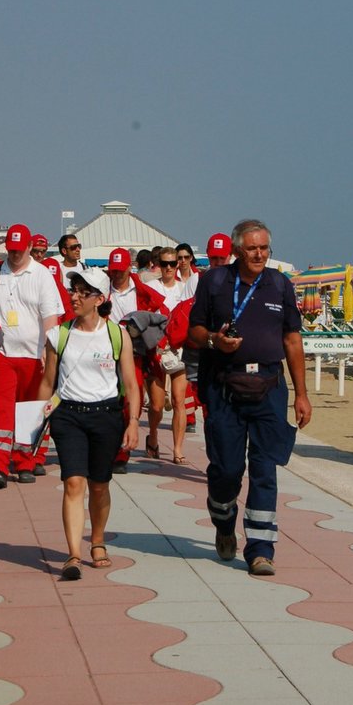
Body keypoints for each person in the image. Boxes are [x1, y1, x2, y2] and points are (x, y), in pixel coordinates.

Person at [188, 218, 311, 576]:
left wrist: (301, 395)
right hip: (224, 387)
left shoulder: (280, 285)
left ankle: (260, 549)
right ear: (237, 249)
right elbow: (194, 332)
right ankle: (224, 524)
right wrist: (215, 340)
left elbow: (292, 340)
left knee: (264, 468)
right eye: (252, 248)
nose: (259, 254)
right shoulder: (214, 282)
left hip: (269, 388)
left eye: (265, 248)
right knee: (226, 470)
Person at [38, 268, 140, 580]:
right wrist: (35, 420)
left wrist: (133, 422)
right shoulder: (59, 334)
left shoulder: (116, 334)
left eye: (83, 292)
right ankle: (73, 554)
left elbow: (131, 384)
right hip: (68, 415)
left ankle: (97, 541)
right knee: (73, 483)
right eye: (74, 290)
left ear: (99, 299)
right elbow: (47, 382)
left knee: (99, 485)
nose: (75, 297)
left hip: (106, 415)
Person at [0, 224, 63, 489]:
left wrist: (48, 352)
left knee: (30, 411)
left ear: (30, 247)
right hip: (1, 354)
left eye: (20, 250)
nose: (15, 255)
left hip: (34, 356)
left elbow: (50, 318)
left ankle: (25, 462)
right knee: (1, 408)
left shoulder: (41, 276)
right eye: (11, 249)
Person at [106, 247, 168, 472]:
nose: (116, 275)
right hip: (105, 353)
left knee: (131, 401)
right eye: (113, 270)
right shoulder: (102, 290)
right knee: (107, 402)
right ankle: (107, 448)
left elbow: (160, 316)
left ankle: (122, 453)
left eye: (120, 271)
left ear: (129, 268)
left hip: (134, 355)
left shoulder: (142, 291)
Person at [146, 248, 189, 463]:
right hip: (156, 351)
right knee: (156, 405)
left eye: (174, 263)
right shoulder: (151, 288)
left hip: (179, 350)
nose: (170, 268)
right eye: (165, 264)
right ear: (158, 265)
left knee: (179, 400)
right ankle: (153, 436)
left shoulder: (185, 289)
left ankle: (177, 449)